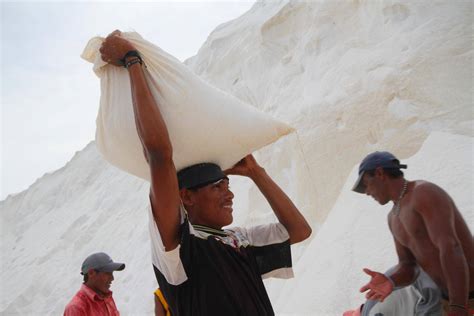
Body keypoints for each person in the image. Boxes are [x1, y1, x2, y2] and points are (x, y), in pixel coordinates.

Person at [99, 30, 312, 315]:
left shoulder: (240, 240)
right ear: (186, 196)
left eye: (227, 184)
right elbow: (159, 156)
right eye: (217, 187)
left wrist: (256, 172)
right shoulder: (178, 246)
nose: (230, 193)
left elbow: (299, 230)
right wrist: (132, 61)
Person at [352, 151, 474, 316]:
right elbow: (409, 266)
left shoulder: (423, 193)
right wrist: (391, 281)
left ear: (380, 173)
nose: (366, 192)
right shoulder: (393, 218)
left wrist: (459, 307)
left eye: (366, 184)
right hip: (450, 300)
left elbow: (450, 247)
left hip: (463, 300)